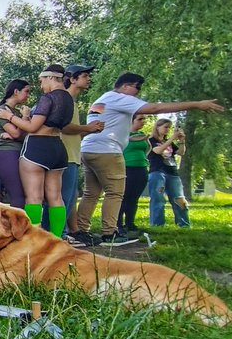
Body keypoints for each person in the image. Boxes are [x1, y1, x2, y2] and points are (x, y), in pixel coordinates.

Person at [73, 72, 222, 246]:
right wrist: (197, 104)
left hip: (89, 148)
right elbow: (155, 109)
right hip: (108, 151)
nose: (138, 93)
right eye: (137, 87)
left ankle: (81, 232)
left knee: (91, 193)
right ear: (125, 86)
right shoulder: (120, 97)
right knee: (115, 192)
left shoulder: (104, 98)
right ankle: (109, 234)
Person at [0, 65, 74, 236]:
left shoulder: (48, 98)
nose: (41, 85)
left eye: (41, 80)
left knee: (33, 197)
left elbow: (32, 127)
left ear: (50, 77)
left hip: (37, 149)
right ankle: (57, 238)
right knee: (56, 197)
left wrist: (10, 117)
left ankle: (32, 238)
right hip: (58, 147)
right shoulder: (68, 99)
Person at [57, 65, 104, 243]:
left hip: (73, 154)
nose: (88, 79)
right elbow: (64, 126)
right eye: (84, 76)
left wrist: (89, 130)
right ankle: (58, 236)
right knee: (63, 198)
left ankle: (64, 234)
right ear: (72, 79)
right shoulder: (66, 99)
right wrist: (88, 128)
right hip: (66, 155)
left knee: (70, 198)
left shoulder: (72, 102)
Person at [0, 80, 30, 208]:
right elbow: (17, 134)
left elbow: (26, 134)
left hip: (19, 153)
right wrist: (25, 118)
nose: (28, 95)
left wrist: (16, 133)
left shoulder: (16, 112)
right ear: (16, 92)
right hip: (7, 155)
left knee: (26, 194)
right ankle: (17, 227)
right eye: (26, 91)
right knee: (18, 195)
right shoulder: (2, 111)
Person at [147, 118, 190, 227]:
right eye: (165, 127)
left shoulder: (168, 141)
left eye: (169, 128)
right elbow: (158, 150)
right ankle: (157, 225)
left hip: (172, 172)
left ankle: (184, 224)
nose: (168, 130)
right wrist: (172, 138)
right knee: (158, 198)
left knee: (179, 198)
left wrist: (181, 141)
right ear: (157, 127)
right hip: (157, 172)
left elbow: (181, 152)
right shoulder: (150, 140)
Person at [117, 114, 149, 233]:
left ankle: (130, 223)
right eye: (140, 119)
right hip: (126, 168)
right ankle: (118, 224)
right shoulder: (122, 134)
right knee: (123, 197)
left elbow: (147, 148)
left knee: (134, 198)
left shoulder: (142, 135)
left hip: (141, 168)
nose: (143, 122)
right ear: (131, 121)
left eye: (144, 119)